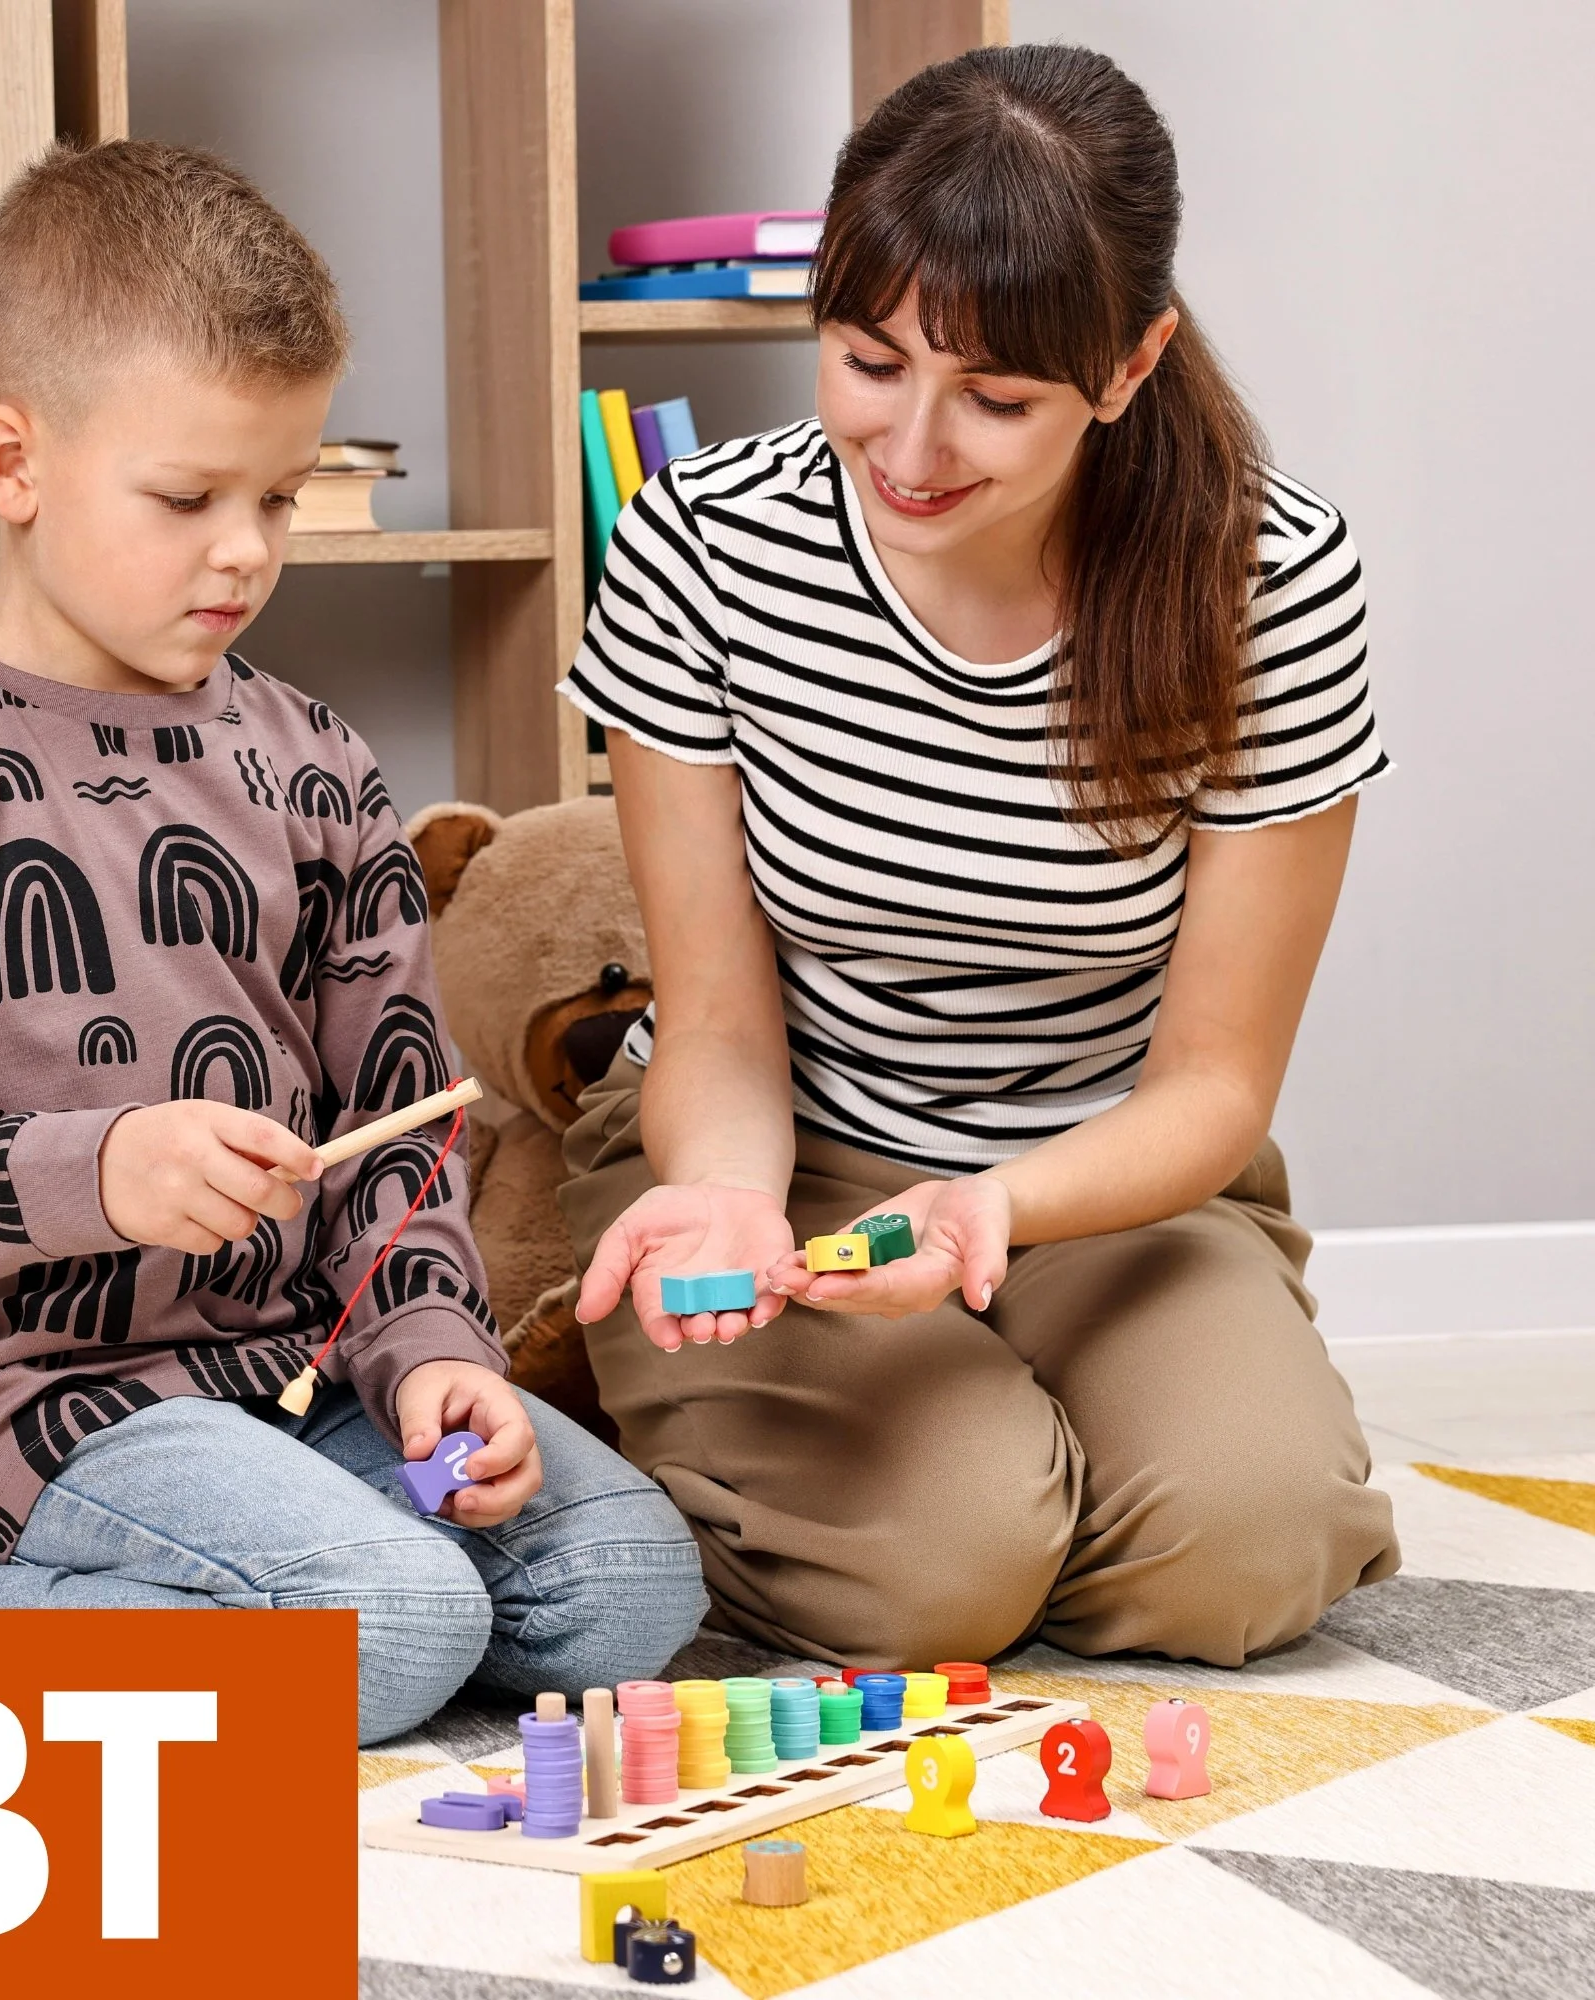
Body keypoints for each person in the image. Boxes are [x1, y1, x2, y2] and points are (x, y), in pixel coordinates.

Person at [0, 140, 704, 1742]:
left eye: (280, 494)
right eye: (188, 498)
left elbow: (400, 1136)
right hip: (32, 1404)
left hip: (299, 1369)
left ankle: (233, 1598)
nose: (248, 550)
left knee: (627, 1590)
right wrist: (103, 1171)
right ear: (15, 461)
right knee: (402, 1625)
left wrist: (427, 1358)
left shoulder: (318, 764)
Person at [556, 45, 1400, 1673]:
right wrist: (725, 1199)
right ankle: (936, 1483)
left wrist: (989, 1214)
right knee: (944, 1583)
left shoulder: (1271, 587)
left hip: (1108, 1183)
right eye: (868, 361)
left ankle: (1011, 1463)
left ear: (1133, 360)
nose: (915, 445)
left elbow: (1216, 1086)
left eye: (998, 398)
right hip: (787, 1162)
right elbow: (719, 1022)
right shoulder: (702, 547)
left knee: (1249, 1553)